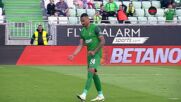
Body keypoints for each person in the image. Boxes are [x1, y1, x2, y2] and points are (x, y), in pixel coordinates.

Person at [68, 13, 105, 102]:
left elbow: (103, 41)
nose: (82, 23)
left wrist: (94, 51)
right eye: (81, 21)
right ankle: (100, 95)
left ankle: (84, 94)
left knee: (91, 71)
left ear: (88, 19)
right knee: (94, 75)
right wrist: (74, 54)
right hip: (89, 55)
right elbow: (80, 45)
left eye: (83, 21)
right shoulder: (83, 31)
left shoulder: (95, 28)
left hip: (96, 54)